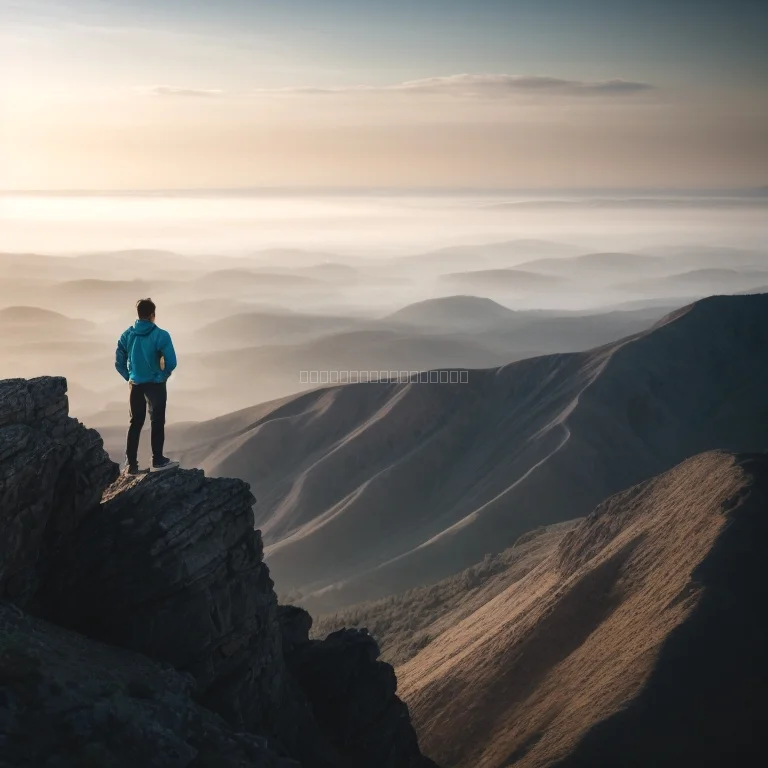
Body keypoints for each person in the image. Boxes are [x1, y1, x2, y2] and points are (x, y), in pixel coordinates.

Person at [115, 298, 179, 474]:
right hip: (155, 384)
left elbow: (119, 361)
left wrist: (129, 376)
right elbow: (171, 362)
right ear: (152, 315)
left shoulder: (127, 335)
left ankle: (131, 465)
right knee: (156, 420)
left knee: (135, 422)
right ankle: (157, 460)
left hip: (135, 384)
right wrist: (162, 376)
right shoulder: (161, 335)